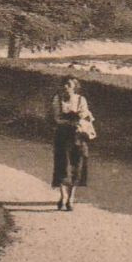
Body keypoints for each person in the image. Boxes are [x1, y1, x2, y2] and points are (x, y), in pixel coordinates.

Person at [47, 75, 95, 211]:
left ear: (75, 87)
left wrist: (78, 118)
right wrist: (70, 120)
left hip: (78, 136)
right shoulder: (57, 99)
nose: (65, 87)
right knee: (62, 165)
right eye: (64, 84)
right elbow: (57, 119)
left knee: (77, 165)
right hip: (62, 135)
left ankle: (71, 198)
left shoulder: (81, 99)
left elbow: (85, 115)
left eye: (68, 84)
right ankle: (63, 197)